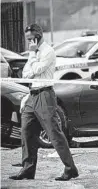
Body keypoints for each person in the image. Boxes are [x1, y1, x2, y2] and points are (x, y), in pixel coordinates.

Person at [9, 24, 79, 181]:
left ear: (38, 36)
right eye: (27, 39)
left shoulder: (48, 51)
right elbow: (26, 74)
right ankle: (28, 168)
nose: (29, 42)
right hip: (32, 95)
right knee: (26, 132)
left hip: (45, 94)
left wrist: (33, 56)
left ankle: (70, 168)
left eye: (31, 39)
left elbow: (38, 70)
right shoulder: (33, 53)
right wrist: (32, 58)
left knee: (54, 133)